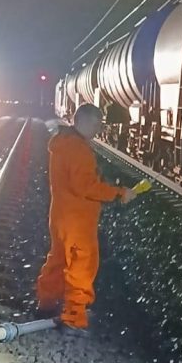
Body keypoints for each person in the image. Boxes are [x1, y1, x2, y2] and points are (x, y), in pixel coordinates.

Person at [36, 104, 136, 334]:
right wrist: (119, 193)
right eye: (98, 124)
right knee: (81, 266)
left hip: (60, 215)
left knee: (58, 260)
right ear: (89, 121)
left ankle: (46, 305)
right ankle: (73, 317)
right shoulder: (79, 149)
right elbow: (85, 186)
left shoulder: (61, 143)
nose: (99, 129)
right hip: (78, 220)